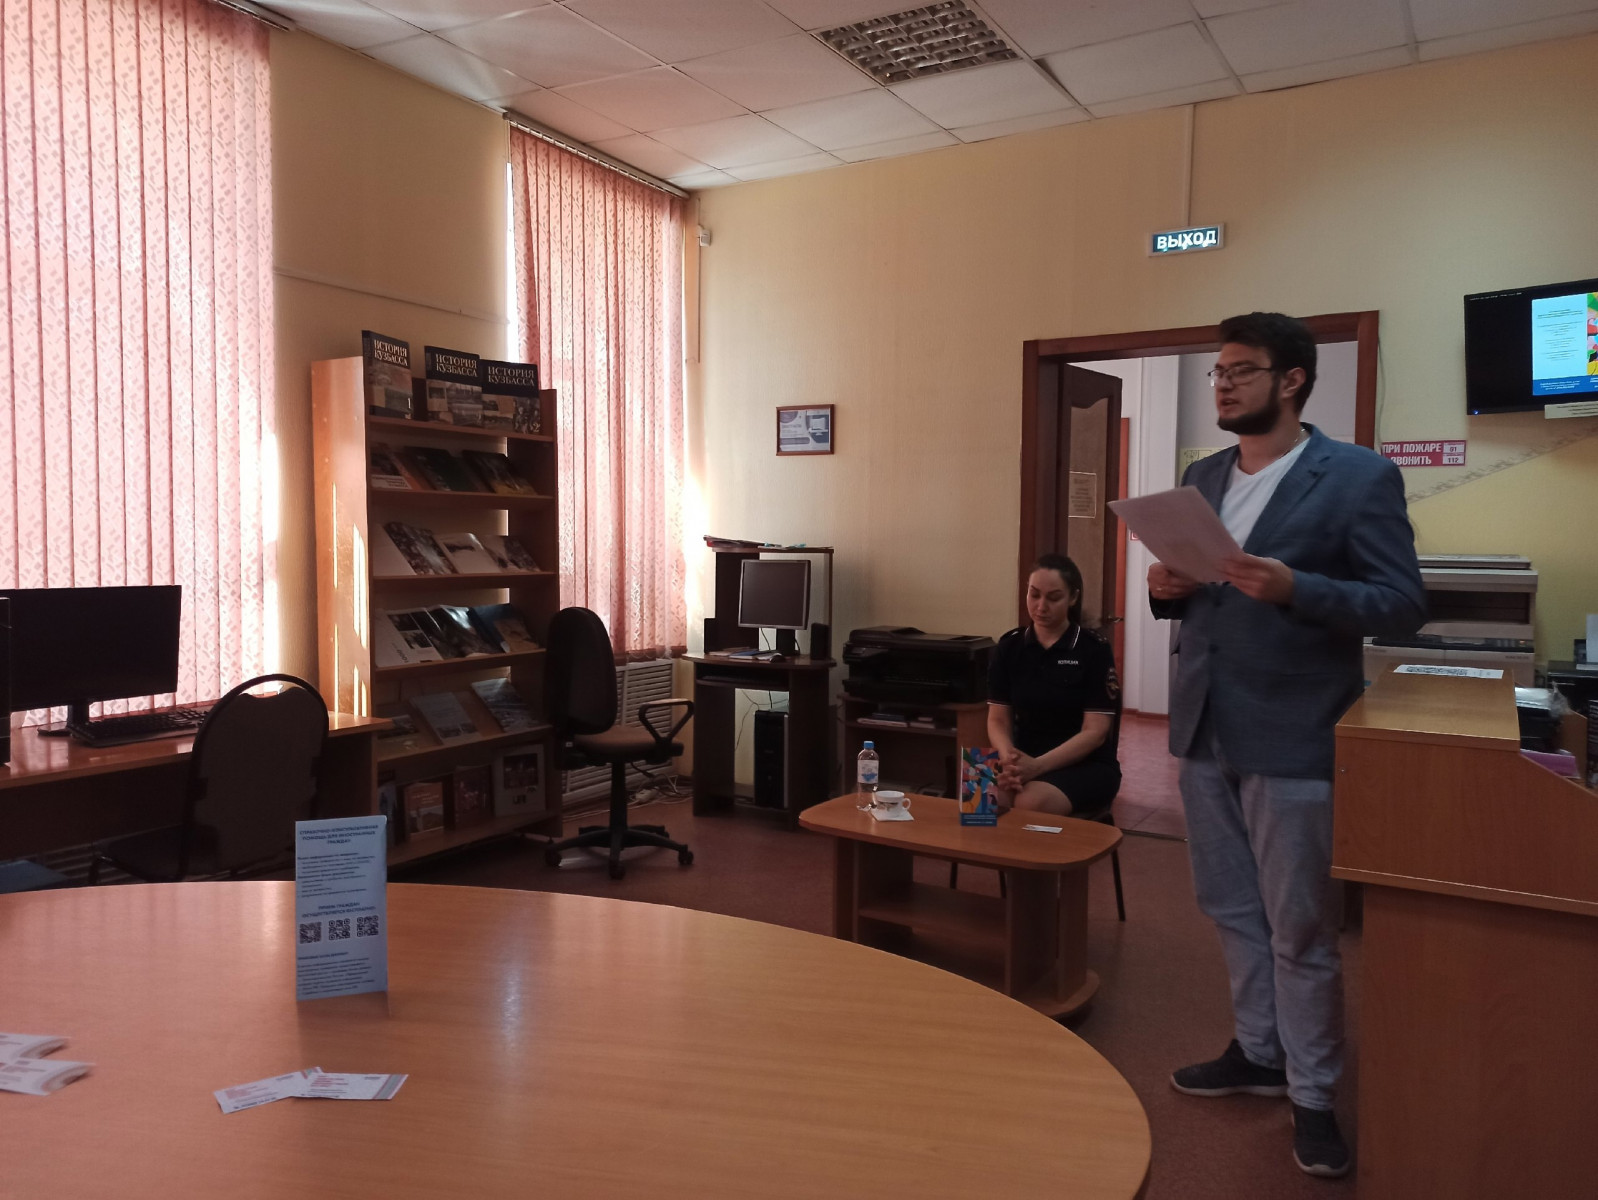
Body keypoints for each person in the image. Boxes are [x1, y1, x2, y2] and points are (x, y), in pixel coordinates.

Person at [1149, 312, 1426, 1180]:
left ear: (1292, 379)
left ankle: (1313, 1094)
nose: (1224, 384)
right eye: (1218, 372)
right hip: (1204, 726)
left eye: (1241, 370)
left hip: (1295, 732)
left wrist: (1298, 587)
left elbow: (1401, 603)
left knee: (1300, 928)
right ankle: (1260, 1052)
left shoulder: (1358, 477)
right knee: (1232, 910)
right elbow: (1198, 596)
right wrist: (1164, 588)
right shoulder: (1203, 476)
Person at [987, 553, 1121, 815]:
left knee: (1030, 802)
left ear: (1073, 598)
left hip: (1083, 762)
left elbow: (1095, 732)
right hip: (1021, 756)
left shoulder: (1093, 649)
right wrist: (1008, 758)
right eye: (1034, 594)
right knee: (979, 794)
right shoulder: (1009, 646)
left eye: (1053, 597)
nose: (1041, 606)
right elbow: (997, 720)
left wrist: (1036, 766)